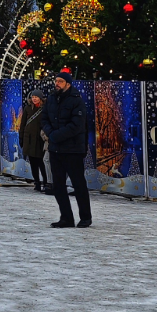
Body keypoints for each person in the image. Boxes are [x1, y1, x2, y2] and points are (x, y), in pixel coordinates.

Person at [42, 72, 92, 228]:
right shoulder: (50, 99)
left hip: (73, 150)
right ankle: (66, 218)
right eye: (56, 81)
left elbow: (76, 126)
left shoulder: (77, 101)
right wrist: (50, 134)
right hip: (56, 150)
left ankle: (85, 217)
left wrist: (55, 135)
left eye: (61, 81)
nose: (57, 83)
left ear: (68, 84)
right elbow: (44, 119)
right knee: (58, 186)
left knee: (78, 185)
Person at [20, 92, 49, 192]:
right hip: (29, 139)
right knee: (33, 163)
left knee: (42, 162)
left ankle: (46, 182)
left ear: (40, 98)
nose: (34, 99)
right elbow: (23, 124)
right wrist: (21, 138)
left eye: (36, 97)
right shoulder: (28, 108)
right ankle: (36, 182)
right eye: (33, 97)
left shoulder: (45, 108)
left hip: (40, 139)